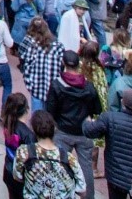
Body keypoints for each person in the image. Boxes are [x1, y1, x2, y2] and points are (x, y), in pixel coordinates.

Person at [83, 86, 132, 199]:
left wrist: (87, 122)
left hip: (115, 176)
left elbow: (90, 132)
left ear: (122, 102)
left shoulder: (110, 118)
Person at [45, 49, 102, 199]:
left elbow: (50, 110)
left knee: (59, 166)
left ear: (63, 63)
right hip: (84, 132)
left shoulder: (57, 85)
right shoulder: (88, 86)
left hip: (63, 131)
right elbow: (97, 108)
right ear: (79, 64)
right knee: (86, 168)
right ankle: (89, 196)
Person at [13, 111, 87, 199]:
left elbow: (17, 176)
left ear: (33, 129)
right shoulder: (69, 159)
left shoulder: (23, 152)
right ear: (54, 129)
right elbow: (82, 190)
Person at [18, 17, 64, 112]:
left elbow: (25, 63)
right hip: (53, 89)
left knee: (37, 117)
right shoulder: (58, 47)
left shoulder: (32, 46)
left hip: (36, 87)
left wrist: (28, 82)